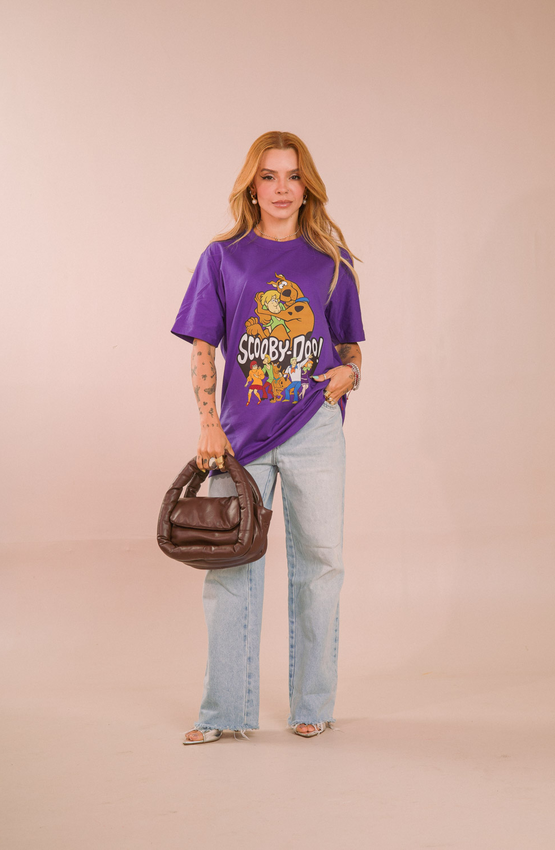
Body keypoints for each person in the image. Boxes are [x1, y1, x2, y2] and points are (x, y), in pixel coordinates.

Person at [171, 131, 364, 743]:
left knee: (320, 565)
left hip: (314, 429)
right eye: (269, 176)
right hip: (240, 440)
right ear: (252, 188)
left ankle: (313, 703)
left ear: (308, 187)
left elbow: (350, 346)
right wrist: (208, 423)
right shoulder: (222, 257)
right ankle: (224, 712)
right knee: (229, 566)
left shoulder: (331, 262)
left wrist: (350, 373)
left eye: (293, 176)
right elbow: (203, 347)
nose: (282, 188)